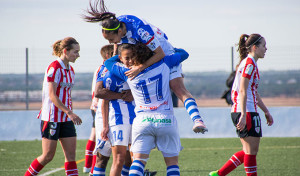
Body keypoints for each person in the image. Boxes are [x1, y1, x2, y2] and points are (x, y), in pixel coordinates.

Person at [83, 0, 207, 133]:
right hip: (145, 56)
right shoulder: (116, 25)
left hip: (164, 54)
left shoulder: (140, 30)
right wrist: (117, 57)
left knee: (177, 88)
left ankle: (197, 120)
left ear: (119, 31)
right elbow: (116, 46)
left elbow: (160, 53)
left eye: (111, 40)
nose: (111, 42)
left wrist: (140, 68)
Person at [104, 43, 203, 176]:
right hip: (165, 119)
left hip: (142, 121)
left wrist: (120, 56)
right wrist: (166, 48)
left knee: (138, 162)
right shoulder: (164, 62)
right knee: (172, 164)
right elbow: (184, 53)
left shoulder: (126, 72)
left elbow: (109, 62)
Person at [209, 34, 274, 176]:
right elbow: (243, 90)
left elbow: (253, 92)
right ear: (255, 47)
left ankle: (218, 174)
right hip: (246, 111)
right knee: (251, 152)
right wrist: (244, 115)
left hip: (249, 110)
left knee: (249, 152)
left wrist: (266, 111)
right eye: (264, 45)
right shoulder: (249, 64)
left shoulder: (250, 63)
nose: (266, 48)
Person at [24, 37, 82, 176]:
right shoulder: (54, 68)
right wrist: (69, 112)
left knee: (71, 157)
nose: (78, 55)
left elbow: (67, 94)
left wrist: (69, 113)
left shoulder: (71, 70)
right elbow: (52, 95)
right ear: (65, 51)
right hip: (52, 117)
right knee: (48, 156)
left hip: (66, 118)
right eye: (75, 52)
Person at [83, 68, 99, 174]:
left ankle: (88, 166)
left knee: (94, 136)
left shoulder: (98, 68)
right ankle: (92, 170)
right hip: (99, 106)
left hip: (95, 105)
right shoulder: (104, 68)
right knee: (99, 139)